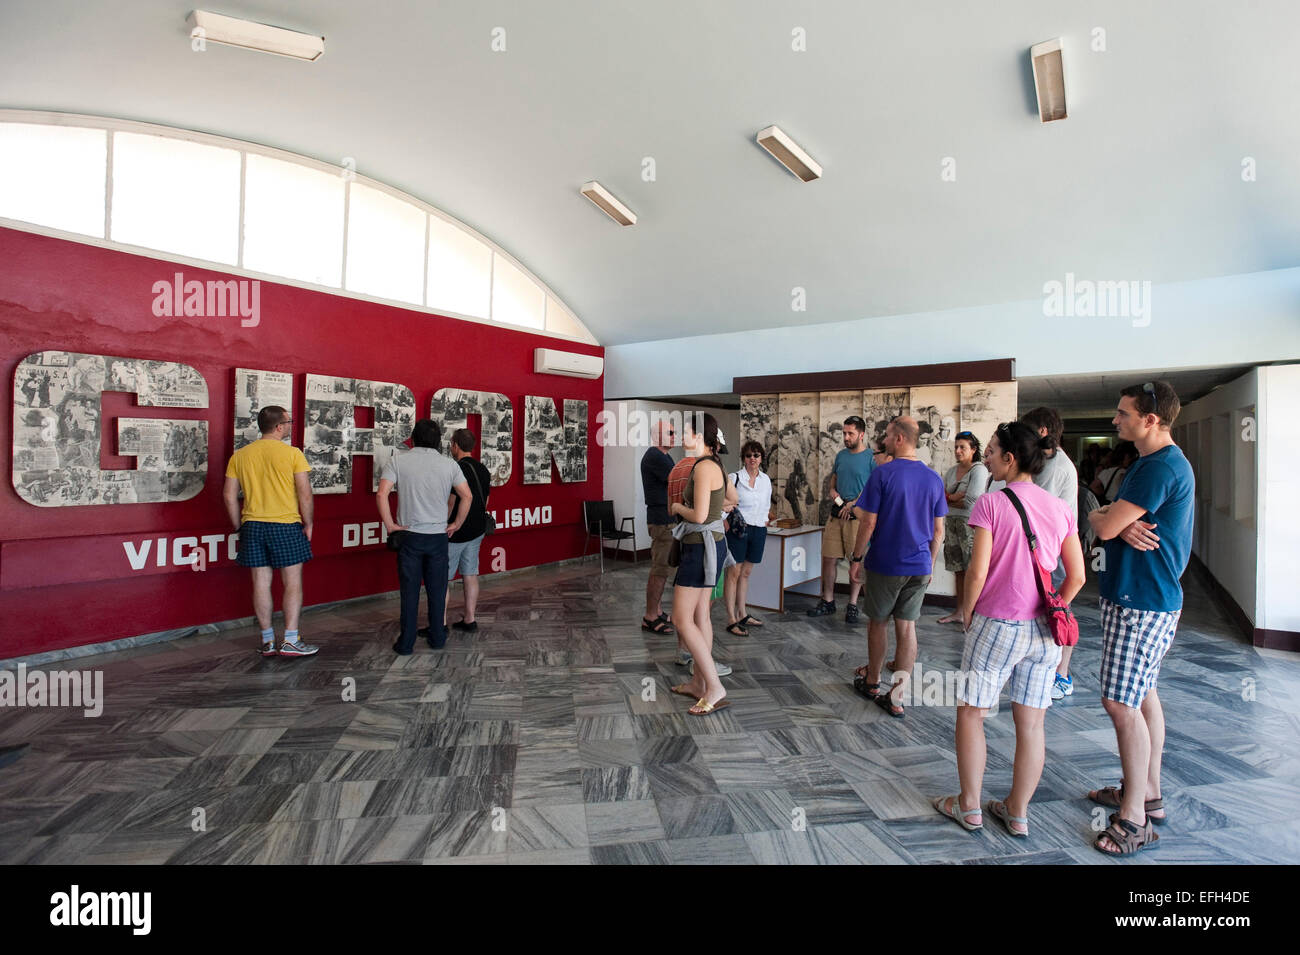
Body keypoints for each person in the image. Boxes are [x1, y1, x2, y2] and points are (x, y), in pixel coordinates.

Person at [932, 421, 1085, 836]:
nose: (986, 456)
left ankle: (970, 807)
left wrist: (968, 611)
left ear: (1010, 458)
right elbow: (1077, 577)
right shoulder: (1059, 508)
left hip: (998, 623)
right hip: (1044, 632)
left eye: (993, 450)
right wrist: (1055, 609)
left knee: (972, 712)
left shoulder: (990, 504)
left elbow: (977, 571)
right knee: (1032, 724)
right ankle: (1017, 812)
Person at [1086, 381, 1193, 856]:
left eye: (1123, 413)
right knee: (1142, 693)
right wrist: (1112, 520)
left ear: (1151, 420)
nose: (1116, 420)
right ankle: (1146, 794)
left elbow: (1101, 522)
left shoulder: (1160, 467)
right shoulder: (1152, 464)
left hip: (1142, 600)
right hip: (1142, 596)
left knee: (1120, 704)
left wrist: (1110, 520)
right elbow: (1104, 520)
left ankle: (1132, 818)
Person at [847, 416, 946, 718]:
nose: (885, 441)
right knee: (907, 627)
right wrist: (929, 565)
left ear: (900, 438)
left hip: (886, 563)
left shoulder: (883, 474)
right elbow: (939, 530)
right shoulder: (934, 479)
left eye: (888, 436)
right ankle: (897, 696)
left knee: (878, 622)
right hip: (919, 566)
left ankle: (873, 681)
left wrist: (856, 557)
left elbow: (869, 521)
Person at [222, 405, 317, 658]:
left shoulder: (240, 456)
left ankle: (267, 641)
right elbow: (305, 494)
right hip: (286, 524)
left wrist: (238, 526)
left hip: (252, 525)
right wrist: (308, 523)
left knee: (260, 583)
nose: (290, 425)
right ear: (279, 426)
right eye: (289, 422)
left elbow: (229, 497)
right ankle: (291, 639)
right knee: (292, 583)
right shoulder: (293, 454)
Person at [377, 419, 472, 655]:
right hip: (438, 536)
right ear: (439, 440)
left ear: (413, 438)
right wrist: (456, 524)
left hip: (409, 536)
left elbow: (382, 493)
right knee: (437, 590)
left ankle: (406, 642)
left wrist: (390, 525)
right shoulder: (449, 465)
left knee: (409, 592)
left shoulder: (398, 460)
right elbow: (467, 496)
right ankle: (438, 637)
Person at [666, 413, 737, 715]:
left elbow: (696, 516)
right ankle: (699, 683)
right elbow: (732, 499)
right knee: (700, 616)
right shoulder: (714, 465)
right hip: (710, 547)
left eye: (685, 431)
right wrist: (711, 513)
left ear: (699, 436)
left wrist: (677, 506)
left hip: (700, 550)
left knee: (681, 620)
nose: (682, 436)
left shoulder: (703, 468)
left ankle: (714, 685)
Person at [1017, 407, 1082, 701]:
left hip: (1052, 554)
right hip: (1046, 552)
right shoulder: (1045, 461)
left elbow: (1036, 509)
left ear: (1042, 432)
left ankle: (1061, 675)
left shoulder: (1056, 468)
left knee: (1058, 611)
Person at [807, 415, 877, 623]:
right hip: (837, 513)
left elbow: (873, 488)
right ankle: (827, 600)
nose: (846, 437)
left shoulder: (871, 457)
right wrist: (834, 493)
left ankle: (853, 604)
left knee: (856, 559)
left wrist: (853, 504)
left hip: (857, 516)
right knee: (829, 558)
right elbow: (833, 481)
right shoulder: (841, 455)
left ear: (861, 434)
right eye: (844, 433)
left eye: (850, 434)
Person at [937, 431, 990, 625]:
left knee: (972, 570)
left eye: (963, 448)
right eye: (956, 447)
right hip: (951, 522)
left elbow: (971, 502)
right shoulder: (952, 471)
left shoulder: (979, 470)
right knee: (958, 570)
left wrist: (949, 497)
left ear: (973, 450)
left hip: (970, 525)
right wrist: (954, 496)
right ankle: (960, 612)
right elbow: (939, 498)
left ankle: (973, 615)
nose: (958, 451)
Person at [723, 440, 775, 635]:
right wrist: (724, 521)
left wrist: (766, 520)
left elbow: (766, 505)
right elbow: (724, 502)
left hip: (758, 529)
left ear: (761, 458)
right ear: (743, 458)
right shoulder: (734, 478)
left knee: (746, 573)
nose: (752, 459)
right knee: (733, 573)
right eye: (748, 455)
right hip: (739, 530)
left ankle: (742, 613)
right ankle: (731, 617)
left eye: (756, 455)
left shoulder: (765, 480)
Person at [445, 428, 491, 633]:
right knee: (470, 574)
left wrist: (446, 523)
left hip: (455, 532)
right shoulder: (483, 469)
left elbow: (451, 502)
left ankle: (440, 623)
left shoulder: (455, 469)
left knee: (442, 578)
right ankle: (470, 619)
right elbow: (486, 501)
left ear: (455, 445)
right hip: (477, 529)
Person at [640, 419, 677, 635]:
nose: (674, 436)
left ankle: (658, 610)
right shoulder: (655, 456)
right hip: (662, 521)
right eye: (670, 432)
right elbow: (679, 481)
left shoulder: (664, 456)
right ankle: (650, 616)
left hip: (665, 518)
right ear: (658, 436)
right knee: (660, 570)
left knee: (662, 569)